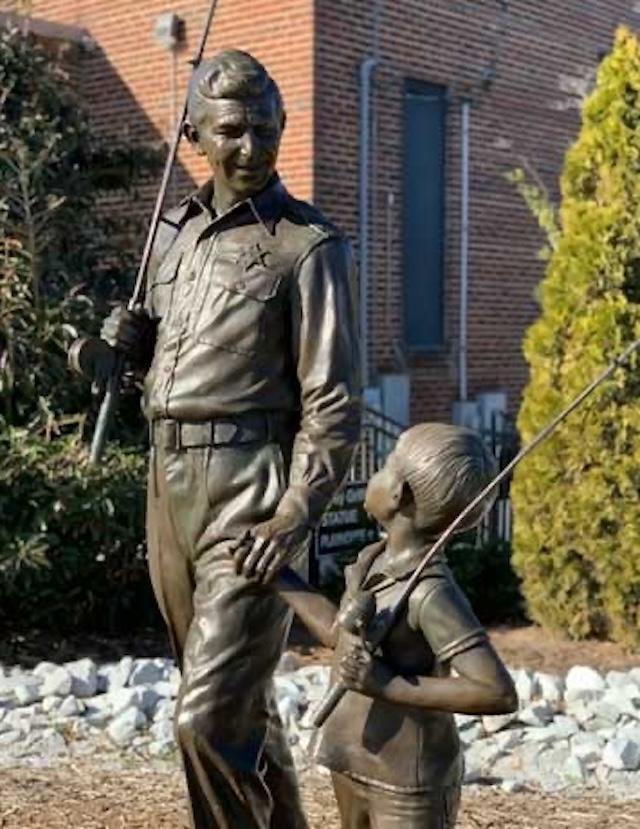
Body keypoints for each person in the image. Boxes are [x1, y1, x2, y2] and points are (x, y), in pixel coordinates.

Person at [99, 50, 360, 829]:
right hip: (168, 488)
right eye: (233, 131)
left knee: (205, 720)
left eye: (267, 130)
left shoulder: (306, 247)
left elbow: (335, 404)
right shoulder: (171, 235)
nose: (253, 148)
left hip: (252, 490)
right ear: (195, 135)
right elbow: (159, 357)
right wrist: (124, 343)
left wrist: (293, 517)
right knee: (242, 709)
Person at [278, 423, 518, 829]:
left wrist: (389, 685)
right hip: (353, 757)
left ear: (398, 494)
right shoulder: (374, 559)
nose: (375, 472)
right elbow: (341, 637)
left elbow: (496, 692)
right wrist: (279, 578)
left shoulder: (431, 594)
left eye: (385, 465)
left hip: (407, 780)